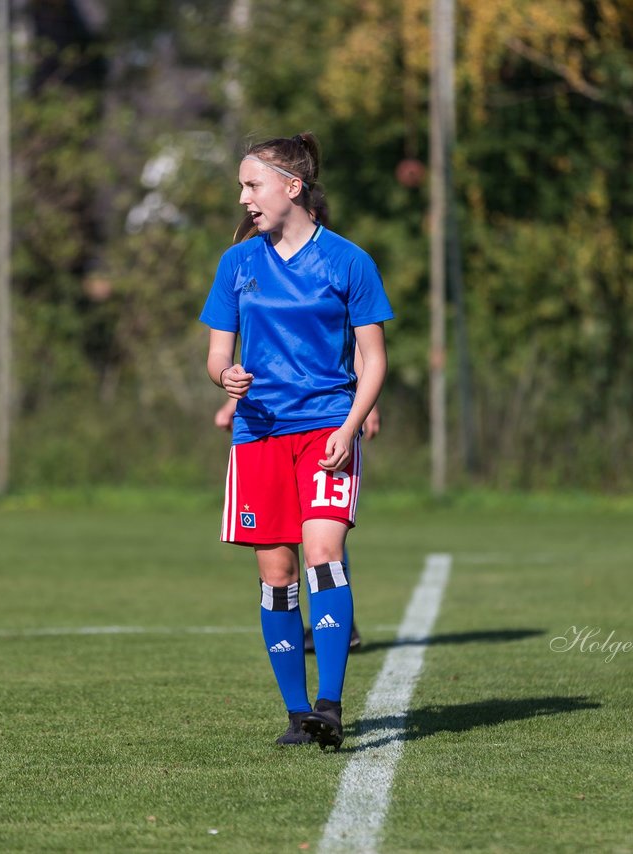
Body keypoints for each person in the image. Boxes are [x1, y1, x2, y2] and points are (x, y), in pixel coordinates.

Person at [199, 132, 392, 749]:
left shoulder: (348, 261)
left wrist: (350, 423)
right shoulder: (237, 264)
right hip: (258, 434)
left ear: (292, 186)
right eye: (241, 186)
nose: (244, 198)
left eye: (252, 185)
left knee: (322, 555)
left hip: (324, 427)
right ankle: (297, 714)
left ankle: (331, 706)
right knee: (276, 572)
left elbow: (373, 357)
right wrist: (223, 376)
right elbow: (216, 356)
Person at [213, 379, 379, 655]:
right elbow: (268, 357)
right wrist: (233, 400)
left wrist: (369, 404)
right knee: (290, 555)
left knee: (324, 541)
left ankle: (330, 622)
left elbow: (358, 348)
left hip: (326, 418)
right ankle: (324, 625)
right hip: (271, 427)